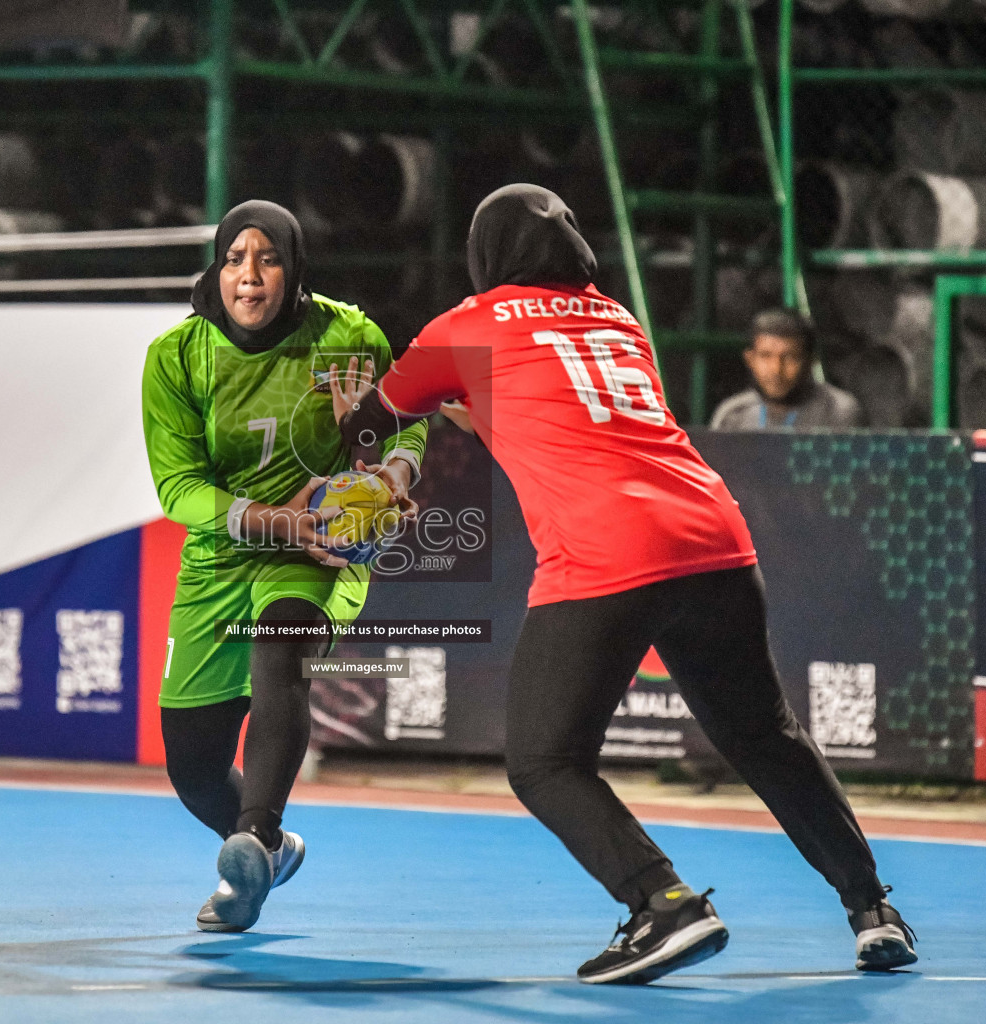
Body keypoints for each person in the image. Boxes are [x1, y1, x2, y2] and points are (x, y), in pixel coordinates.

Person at [329, 184, 915, 984]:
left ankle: (663, 903)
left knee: (545, 761)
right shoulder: (615, 318)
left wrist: (349, 401)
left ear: (485, 256)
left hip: (606, 551)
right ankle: (872, 909)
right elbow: (539, 404)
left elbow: (367, 428)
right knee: (763, 736)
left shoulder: (463, 327)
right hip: (714, 536)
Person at [141, 201, 426, 933]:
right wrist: (272, 520)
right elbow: (179, 489)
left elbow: (410, 420)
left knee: (282, 648)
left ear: (293, 267)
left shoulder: (348, 335)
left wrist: (390, 472)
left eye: (267, 258)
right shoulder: (177, 357)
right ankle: (271, 852)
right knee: (194, 769)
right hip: (222, 558)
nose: (249, 275)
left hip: (315, 550)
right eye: (235, 258)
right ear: (217, 267)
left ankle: (258, 837)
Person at [710, 308, 865, 430]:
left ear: (810, 361)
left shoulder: (837, 411)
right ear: (750, 359)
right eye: (765, 356)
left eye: (790, 357)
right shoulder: (732, 416)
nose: (776, 369)